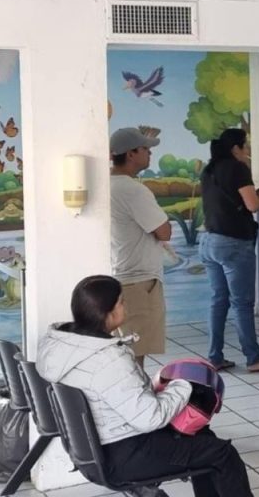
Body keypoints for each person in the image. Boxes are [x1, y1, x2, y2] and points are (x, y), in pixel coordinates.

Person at [36, 275, 253, 497]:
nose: (125, 306)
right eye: (122, 302)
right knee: (223, 455)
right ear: (108, 313)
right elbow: (151, 417)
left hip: (94, 449)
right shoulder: (108, 360)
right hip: (124, 453)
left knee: (203, 437)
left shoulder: (60, 345)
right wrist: (183, 385)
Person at [199, 128, 259, 373]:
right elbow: (252, 204)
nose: (248, 150)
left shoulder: (209, 169)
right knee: (242, 303)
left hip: (209, 241)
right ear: (235, 148)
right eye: (245, 146)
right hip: (234, 244)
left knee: (219, 300)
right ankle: (253, 358)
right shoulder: (237, 168)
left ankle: (214, 357)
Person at [110, 127, 171, 368]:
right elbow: (164, 231)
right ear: (131, 154)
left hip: (117, 277)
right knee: (135, 357)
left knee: (124, 355)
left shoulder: (107, 185)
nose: (150, 154)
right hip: (138, 282)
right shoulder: (133, 190)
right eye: (145, 149)